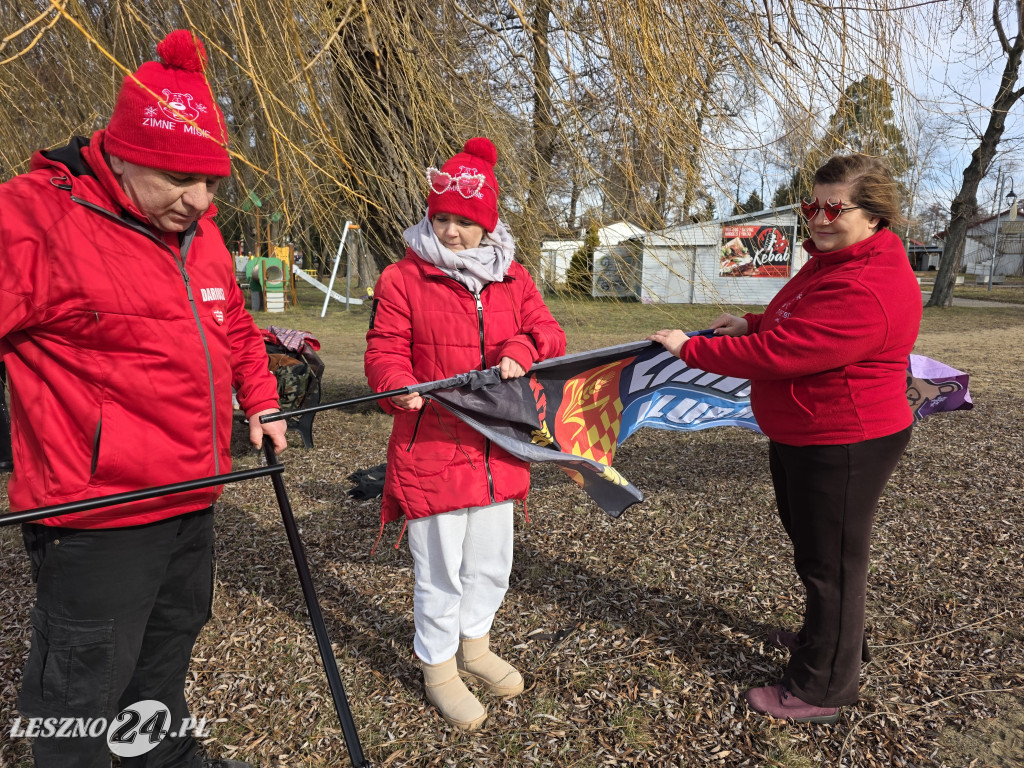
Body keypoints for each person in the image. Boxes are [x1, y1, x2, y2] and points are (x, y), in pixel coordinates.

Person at [0, 30, 287, 767]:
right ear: (121, 152)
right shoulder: (39, 219)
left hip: (194, 497)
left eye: (213, 182)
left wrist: (260, 398)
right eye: (178, 178)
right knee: (79, 700)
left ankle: (162, 757)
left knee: (164, 661)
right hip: (99, 517)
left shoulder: (202, 233)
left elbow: (236, 327)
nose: (200, 201)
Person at [649, 154, 922, 724]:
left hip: (845, 438)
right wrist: (751, 320)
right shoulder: (834, 259)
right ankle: (833, 642)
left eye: (834, 208)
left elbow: (785, 352)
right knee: (818, 554)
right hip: (807, 431)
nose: (819, 219)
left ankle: (823, 687)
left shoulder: (867, 283)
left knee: (833, 565)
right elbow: (791, 319)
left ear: (873, 216)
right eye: (811, 206)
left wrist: (690, 348)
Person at [364, 137, 566, 731]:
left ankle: (475, 645)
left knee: (491, 561)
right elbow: (383, 350)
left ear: (488, 224)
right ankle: (440, 668)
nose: (451, 232)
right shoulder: (402, 278)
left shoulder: (514, 278)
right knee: (440, 570)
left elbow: (549, 334)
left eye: (464, 222)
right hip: (430, 447)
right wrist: (396, 382)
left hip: (499, 447)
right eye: (442, 218)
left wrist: (522, 346)